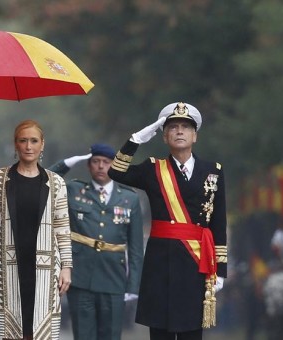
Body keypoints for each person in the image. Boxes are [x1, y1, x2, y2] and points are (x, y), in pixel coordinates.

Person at [107, 102, 227, 340]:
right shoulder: (153, 169)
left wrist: (220, 270)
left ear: (195, 135)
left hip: (197, 262)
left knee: (191, 330)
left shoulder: (213, 171)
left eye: (185, 127)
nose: (179, 131)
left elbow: (218, 223)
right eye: (173, 127)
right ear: (164, 136)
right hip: (160, 262)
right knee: (160, 330)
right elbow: (115, 172)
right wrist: (135, 140)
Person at [0, 119, 72, 340]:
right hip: (9, 265)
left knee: (40, 330)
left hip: (45, 268)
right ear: (15, 145)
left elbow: (62, 227)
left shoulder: (56, 182)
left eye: (34, 141)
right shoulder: (0, 178)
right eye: (23, 141)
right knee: (12, 330)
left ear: (42, 144)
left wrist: (66, 267)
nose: (29, 146)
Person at [48, 143, 144, 340]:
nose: (101, 166)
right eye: (96, 162)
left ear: (115, 166)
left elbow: (135, 248)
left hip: (114, 279)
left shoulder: (129, 198)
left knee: (110, 335)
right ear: (88, 165)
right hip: (80, 276)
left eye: (106, 162)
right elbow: (44, 181)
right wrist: (67, 163)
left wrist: (133, 286)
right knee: (83, 335)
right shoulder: (74, 190)